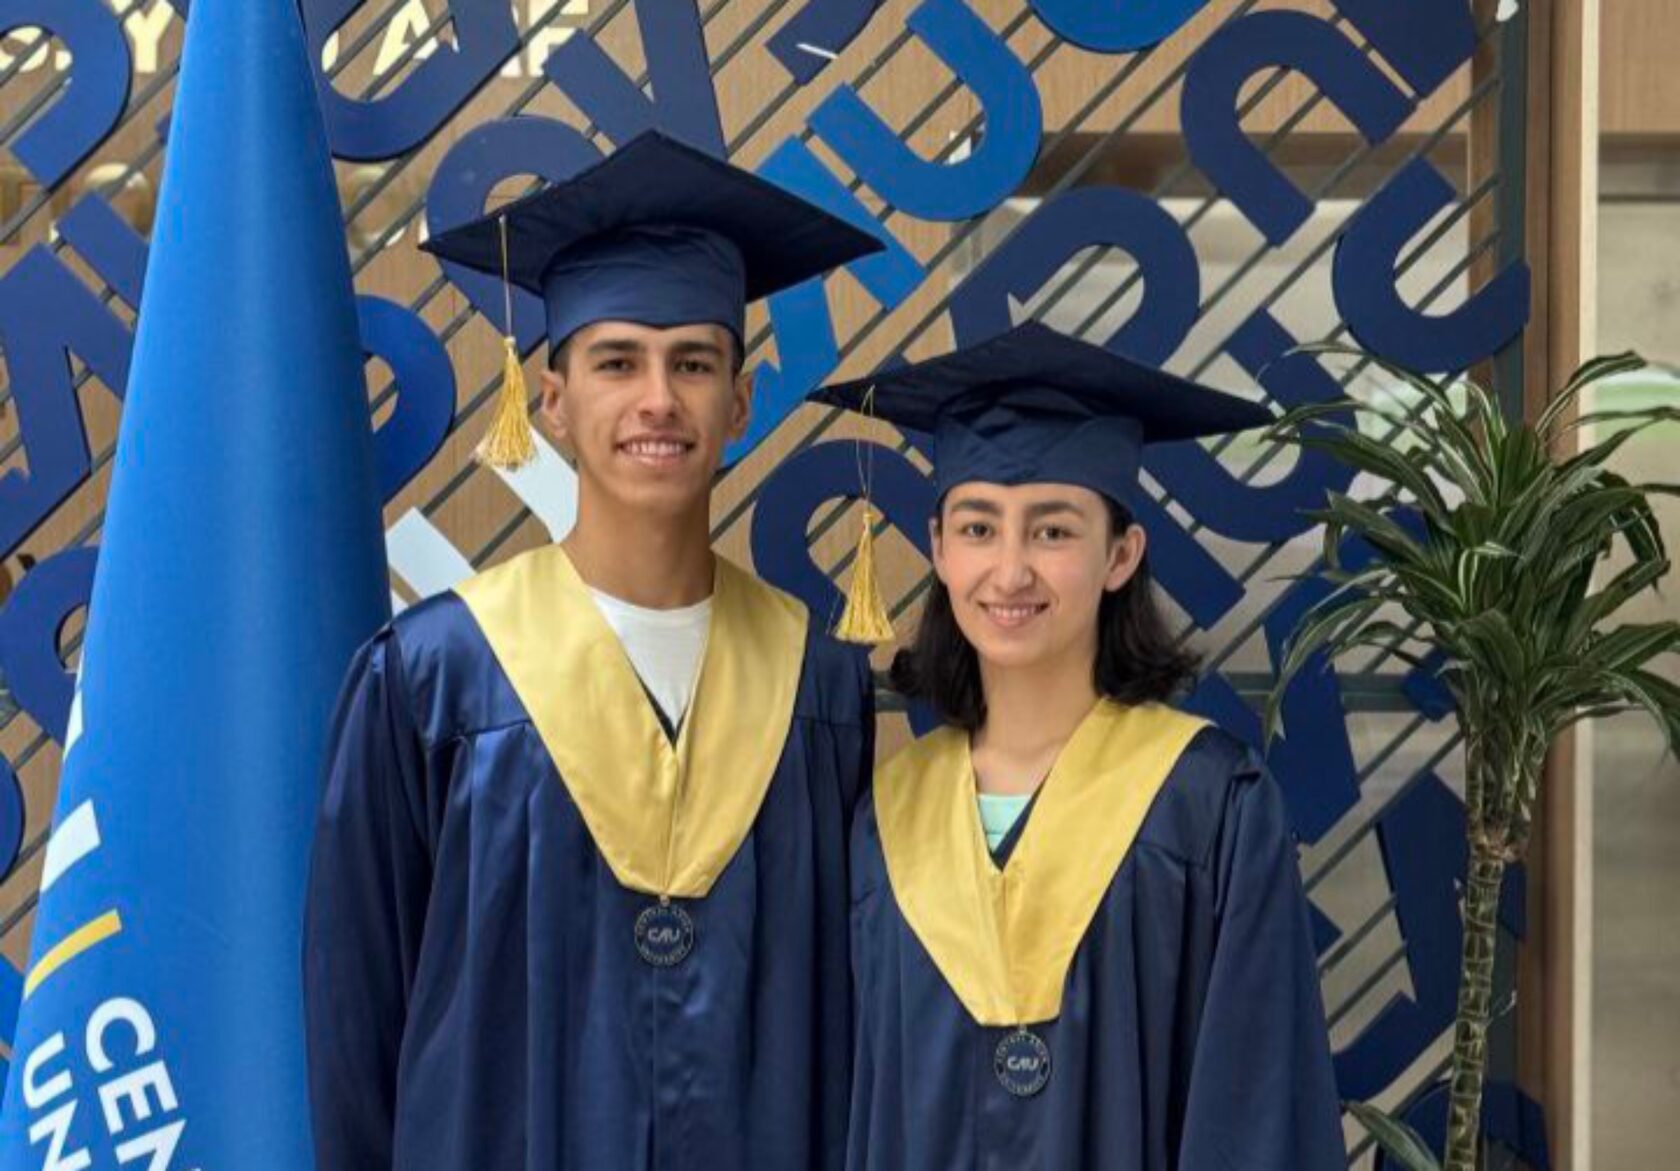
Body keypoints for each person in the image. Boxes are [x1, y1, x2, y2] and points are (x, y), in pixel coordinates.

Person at [302, 131, 882, 1170]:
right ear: (554, 402)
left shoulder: (819, 689)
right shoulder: (436, 677)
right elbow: (359, 1020)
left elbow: (844, 1027)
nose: (658, 399)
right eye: (617, 361)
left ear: (740, 403)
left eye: (693, 362)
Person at [814, 321, 1346, 1170]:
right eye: (979, 528)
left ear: (1121, 554)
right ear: (940, 548)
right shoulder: (889, 814)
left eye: (1053, 531)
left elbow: (1255, 1113)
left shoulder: (1207, 804)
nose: (1011, 571)